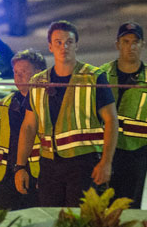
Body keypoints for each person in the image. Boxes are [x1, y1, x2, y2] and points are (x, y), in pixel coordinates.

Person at [14, 20, 119, 207]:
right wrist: (20, 166)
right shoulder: (38, 82)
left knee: (82, 224)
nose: (64, 47)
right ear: (50, 46)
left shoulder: (94, 77)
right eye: (58, 42)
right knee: (53, 224)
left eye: (69, 42)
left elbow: (111, 120)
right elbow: (29, 126)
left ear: (76, 45)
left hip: (84, 165)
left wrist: (106, 162)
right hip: (49, 165)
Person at [100, 22, 147, 209]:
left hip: (136, 155)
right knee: (98, 209)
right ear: (117, 44)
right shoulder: (101, 76)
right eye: (126, 41)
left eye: (136, 42)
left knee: (129, 211)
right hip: (101, 152)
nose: (131, 47)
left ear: (143, 45)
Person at [0, 49, 46, 211]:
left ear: (39, 73)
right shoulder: (5, 104)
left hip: (36, 175)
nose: (18, 77)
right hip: (6, 176)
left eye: (24, 72)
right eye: (15, 72)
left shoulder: (47, 102)